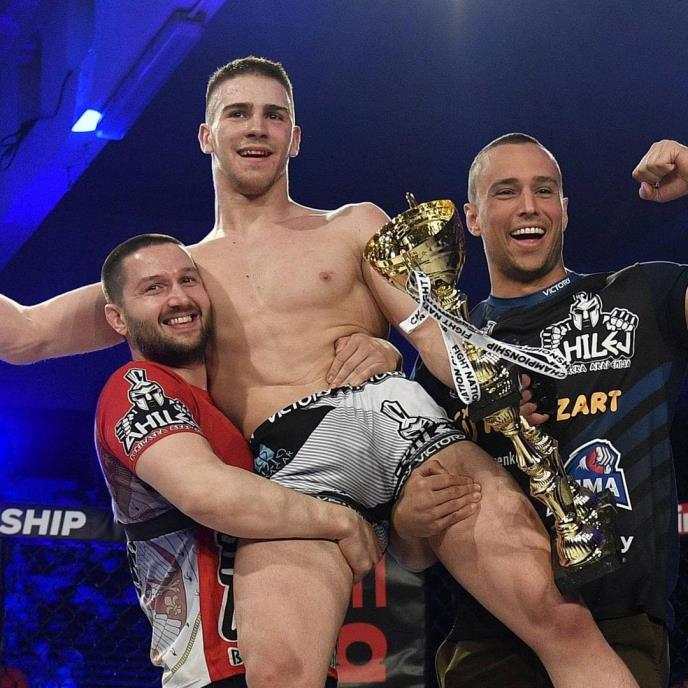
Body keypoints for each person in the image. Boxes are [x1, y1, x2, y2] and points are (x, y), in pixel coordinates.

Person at [0, 57, 639, 688]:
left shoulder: (354, 224)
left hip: (402, 425)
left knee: (561, 621)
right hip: (293, 468)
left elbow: (434, 334)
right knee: (279, 674)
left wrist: (483, 389)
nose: (257, 128)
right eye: (238, 114)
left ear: (295, 137)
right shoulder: (177, 277)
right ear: (206, 136)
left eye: (274, 115)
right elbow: (25, 335)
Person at [415, 133, 688, 687]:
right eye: (505, 191)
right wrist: (411, 519)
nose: (529, 206)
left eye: (544, 190)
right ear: (471, 218)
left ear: (564, 209)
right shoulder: (446, 356)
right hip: (486, 639)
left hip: (620, 631)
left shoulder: (643, 295)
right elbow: (411, 550)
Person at [95, 233, 387, 688]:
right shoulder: (139, 386)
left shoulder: (228, 409)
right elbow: (206, 493)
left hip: (297, 658)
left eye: (187, 280)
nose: (178, 298)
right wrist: (342, 522)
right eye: (154, 288)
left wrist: (381, 352)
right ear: (118, 318)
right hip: (220, 670)